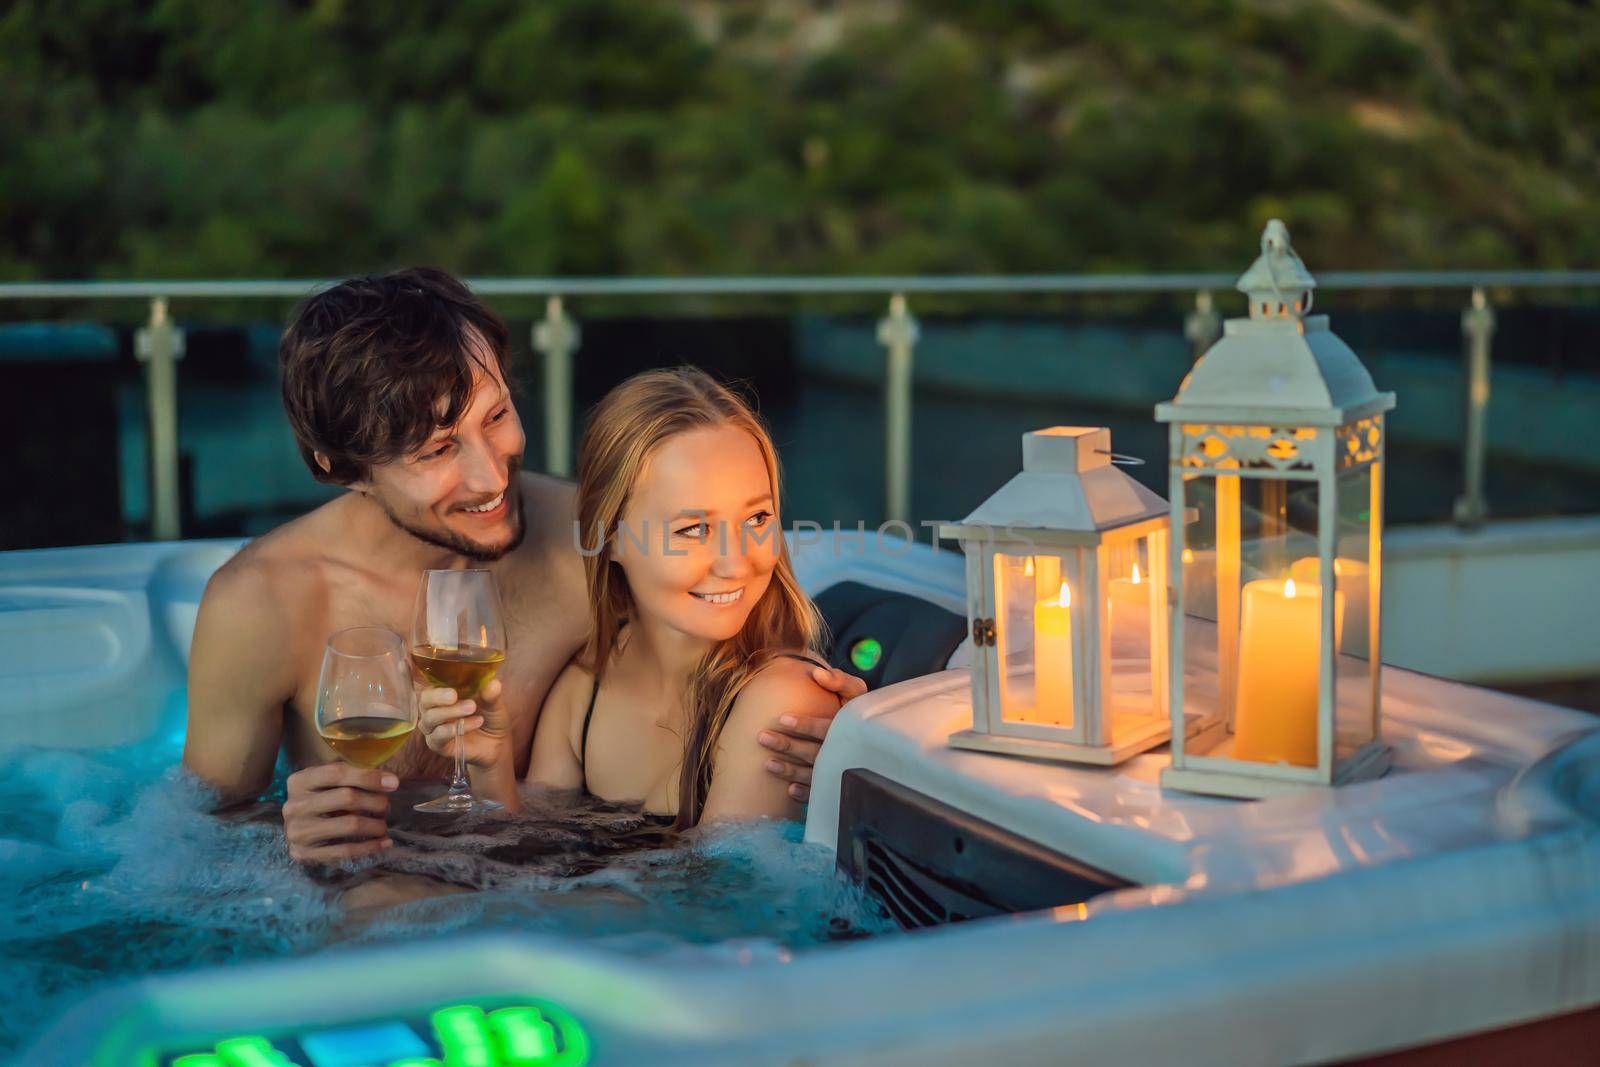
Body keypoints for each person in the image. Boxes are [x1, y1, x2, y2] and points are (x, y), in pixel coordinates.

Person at [181, 269, 864, 863]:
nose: (490, 474)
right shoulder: (262, 605)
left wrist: (846, 732)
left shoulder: (588, 542)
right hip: (394, 894)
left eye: (497, 414)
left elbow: (722, 636)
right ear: (342, 468)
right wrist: (284, 840)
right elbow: (191, 843)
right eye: (437, 449)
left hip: (527, 884)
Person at [419, 367, 839, 827]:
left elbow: (718, 894)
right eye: (693, 529)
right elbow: (529, 861)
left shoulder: (782, 699)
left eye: (757, 518)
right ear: (611, 538)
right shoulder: (584, 691)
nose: (736, 563)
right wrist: (492, 766)